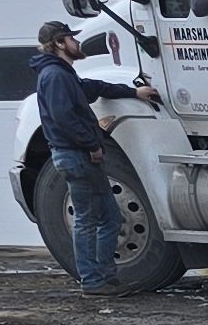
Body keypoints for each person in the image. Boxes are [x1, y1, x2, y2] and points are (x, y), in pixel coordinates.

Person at [30, 19, 156, 294]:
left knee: (110, 218)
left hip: (77, 155)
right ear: (59, 44)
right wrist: (91, 145)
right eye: (72, 39)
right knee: (88, 220)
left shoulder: (63, 74)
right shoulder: (55, 76)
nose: (78, 43)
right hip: (75, 156)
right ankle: (93, 281)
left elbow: (93, 87)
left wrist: (133, 92)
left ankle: (106, 277)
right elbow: (63, 118)